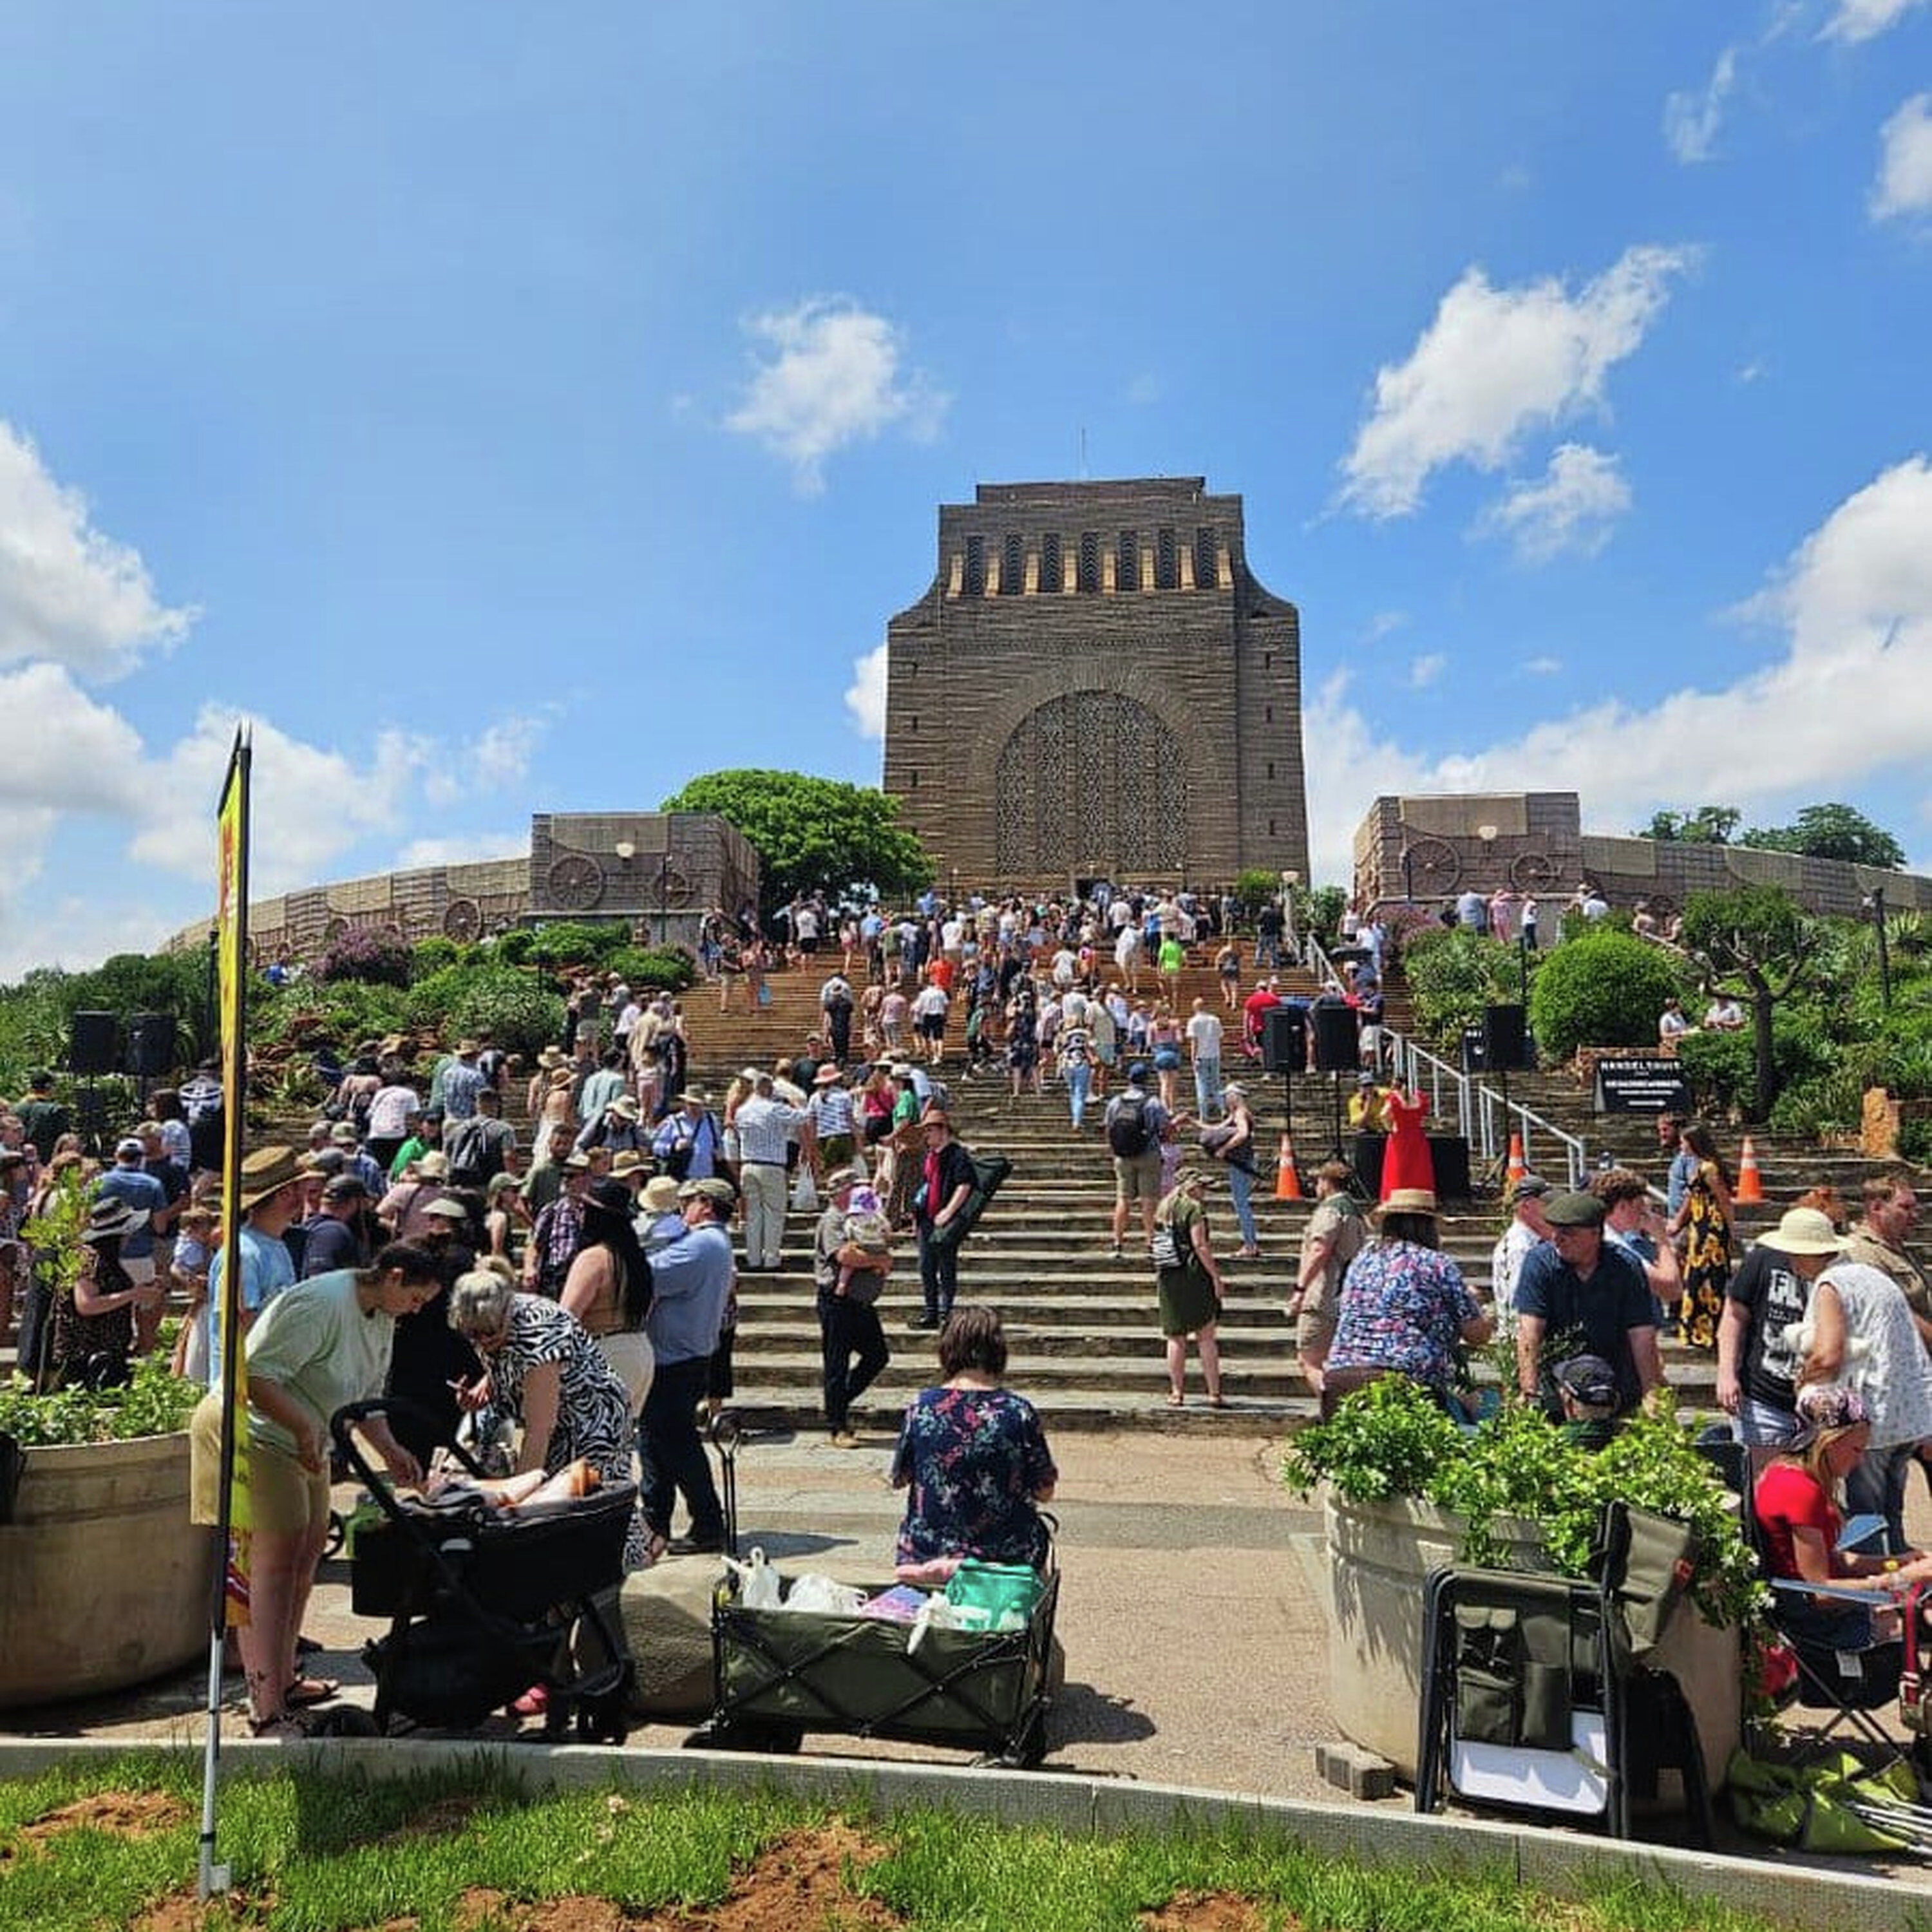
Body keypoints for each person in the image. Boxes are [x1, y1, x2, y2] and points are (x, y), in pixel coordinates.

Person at [190, 1244, 439, 1735]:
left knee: (307, 1556)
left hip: (307, 1438)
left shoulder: (383, 1317)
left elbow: (365, 1398)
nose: (416, 1310)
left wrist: (389, 1449)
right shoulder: (323, 1303)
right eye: (414, 1297)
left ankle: (285, 1678)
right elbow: (256, 1375)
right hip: (253, 1430)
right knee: (273, 1562)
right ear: (391, 1277)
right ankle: (265, 1702)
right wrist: (306, 1431)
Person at [446, 1267, 649, 1575]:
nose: (482, 1340)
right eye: (472, 1334)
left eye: (489, 1333)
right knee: (557, 1506)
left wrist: (518, 1507)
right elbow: (503, 1360)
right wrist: (484, 1390)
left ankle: (614, 1575)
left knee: (587, 1501)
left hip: (591, 1420)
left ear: (508, 1311)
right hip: (559, 1416)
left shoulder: (537, 1331)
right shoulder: (491, 1321)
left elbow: (540, 1430)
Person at [1755, 1384, 1932, 1653]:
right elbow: (1822, 1592)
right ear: (1830, 1444)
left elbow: (1833, 1560)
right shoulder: (1800, 1491)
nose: (1860, 1461)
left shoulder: (1786, 1473)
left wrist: (1895, 1563)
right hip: (1816, 1621)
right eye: (1856, 1450)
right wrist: (1900, 1579)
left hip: (1807, 1605)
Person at [892, 1305, 1057, 1583]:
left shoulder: (921, 1407)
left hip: (928, 1551)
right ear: (998, 1350)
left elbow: (901, 1477)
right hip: (1005, 1553)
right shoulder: (1018, 1411)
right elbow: (1045, 1490)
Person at [1802, 1251, 1932, 1555]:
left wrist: (1803, 1379)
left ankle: (1874, 1592)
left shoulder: (1831, 1284)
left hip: (1875, 1419)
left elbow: (1827, 1355)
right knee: (1892, 1511)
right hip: (1907, 1416)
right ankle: (1904, 1583)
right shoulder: (1876, 1279)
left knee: (1866, 1516)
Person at [1320, 1189, 1490, 1417]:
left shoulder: (1362, 1259)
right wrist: (1485, 1312)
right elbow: (1476, 1334)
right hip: (1405, 1380)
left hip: (1341, 1377)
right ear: (1427, 1227)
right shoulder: (1436, 1263)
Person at [636, 1177, 737, 1557]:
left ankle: (708, 1521)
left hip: (676, 1360)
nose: (682, 1210)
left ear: (706, 1204)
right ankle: (655, 1519)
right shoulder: (711, 1243)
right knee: (655, 1441)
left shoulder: (702, 1244)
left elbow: (648, 1275)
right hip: (679, 1356)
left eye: (688, 1202)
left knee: (676, 1444)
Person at [1716, 1204, 1846, 1467]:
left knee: (1813, 1492)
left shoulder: (1843, 1273)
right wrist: (1726, 1372)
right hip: (1764, 1397)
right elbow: (1733, 1315)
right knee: (1765, 1490)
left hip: (1821, 1402)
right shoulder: (1762, 1260)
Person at [1513, 1191, 1663, 1418]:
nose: (1557, 1238)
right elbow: (1530, 1331)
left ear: (1596, 1234)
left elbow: (1641, 1333)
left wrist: (1651, 1394)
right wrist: (1529, 1391)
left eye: (1568, 1233)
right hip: (1558, 1386)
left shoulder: (1625, 1267)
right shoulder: (1540, 1263)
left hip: (1616, 1383)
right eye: (1555, 1230)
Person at [559, 1177, 654, 1420]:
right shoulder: (636, 1259)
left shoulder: (594, 1258)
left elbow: (566, 1317)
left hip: (605, 1351)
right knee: (618, 1442)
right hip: (639, 1348)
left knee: (590, 1445)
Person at [814, 1164, 893, 1447]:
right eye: (852, 1188)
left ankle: (838, 1402)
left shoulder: (862, 1218)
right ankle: (838, 1425)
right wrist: (878, 1261)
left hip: (860, 1303)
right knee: (836, 1362)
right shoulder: (834, 1220)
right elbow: (845, 1255)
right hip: (838, 1302)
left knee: (878, 1355)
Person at [50, 1197, 164, 1388]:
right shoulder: (89, 1259)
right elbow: (86, 1304)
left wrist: (142, 1289)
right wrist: (133, 1294)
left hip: (107, 1351)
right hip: (87, 1358)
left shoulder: (105, 1258)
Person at [1291, 1160, 1367, 1393]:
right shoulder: (1354, 1210)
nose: (1316, 1187)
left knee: (1309, 1361)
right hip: (1348, 1293)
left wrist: (1300, 1289)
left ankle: (1335, 1411)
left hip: (1324, 1294)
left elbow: (1320, 1250)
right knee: (1337, 1363)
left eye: (1318, 1181)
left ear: (1326, 1182)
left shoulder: (1329, 1211)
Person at [1152, 1170, 1226, 1407]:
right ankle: (1214, 1393)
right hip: (1193, 1274)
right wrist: (1216, 1276)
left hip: (1169, 1274)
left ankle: (1177, 1392)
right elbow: (1200, 1244)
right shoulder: (1194, 1209)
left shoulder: (1164, 1207)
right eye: (1202, 1187)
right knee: (1206, 1337)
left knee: (1175, 1336)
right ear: (1192, 1187)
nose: (1205, 1193)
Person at [1665, 1123, 1735, 1350]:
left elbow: (1723, 1199)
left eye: (1685, 1141)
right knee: (1695, 1276)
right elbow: (1691, 1198)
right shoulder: (1697, 1168)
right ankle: (1695, 1328)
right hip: (1698, 1226)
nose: (1682, 1144)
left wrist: (1732, 1229)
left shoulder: (1709, 1169)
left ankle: (1710, 1329)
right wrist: (1678, 1222)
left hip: (1712, 1229)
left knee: (1708, 1277)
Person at [911, 1103, 976, 1331]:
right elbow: (925, 1187)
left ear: (943, 1130)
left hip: (947, 1220)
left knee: (946, 1266)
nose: (926, 1135)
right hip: (927, 1218)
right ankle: (931, 1312)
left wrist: (949, 1211)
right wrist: (916, 1217)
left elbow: (964, 1185)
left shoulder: (958, 1155)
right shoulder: (930, 1156)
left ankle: (946, 1312)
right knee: (926, 1266)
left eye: (930, 1130)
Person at [1104, 1063, 1169, 1259]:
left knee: (1123, 1200)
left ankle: (1118, 1243)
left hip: (1123, 1156)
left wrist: (1115, 1149)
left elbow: (1108, 1128)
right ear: (1146, 1080)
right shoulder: (1153, 1103)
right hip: (1148, 1154)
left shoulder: (1116, 1102)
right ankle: (1150, 1242)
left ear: (1129, 1079)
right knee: (1149, 1202)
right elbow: (1164, 1128)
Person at [1198, 1081, 1261, 1257]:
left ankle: (1250, 1244)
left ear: (1234, 1097)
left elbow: (1243, 1134)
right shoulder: (1235, 1114)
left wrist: (1224, 1149)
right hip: (1242, 1162)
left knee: (1241, 1204)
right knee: (1241, 1203)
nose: (1225, 1100)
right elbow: (1216, 1128)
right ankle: (1250, 1243)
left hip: (1242, 1163)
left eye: (1226, 1097)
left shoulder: (1241, 1114)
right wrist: (1193, 1123)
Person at [1488, 1175, 1550, 1338]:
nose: (1550, 1210)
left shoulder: (1532, 1242)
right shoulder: (1520, 1248)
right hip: (1521, 1339)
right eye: (1545, 1204)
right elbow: (1522, 1303)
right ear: (1527, 1206)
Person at [1378, 1083, 1434, 1201]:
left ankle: (1397, 1200)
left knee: (1398, 1170)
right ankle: (1419, 1200)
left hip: (1400, 1137)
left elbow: (1383, 1115)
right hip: (1417, 1137)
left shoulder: (1395, 1098)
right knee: (1418, 1170)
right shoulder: (1419, 1098)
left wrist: (1389, 1128)